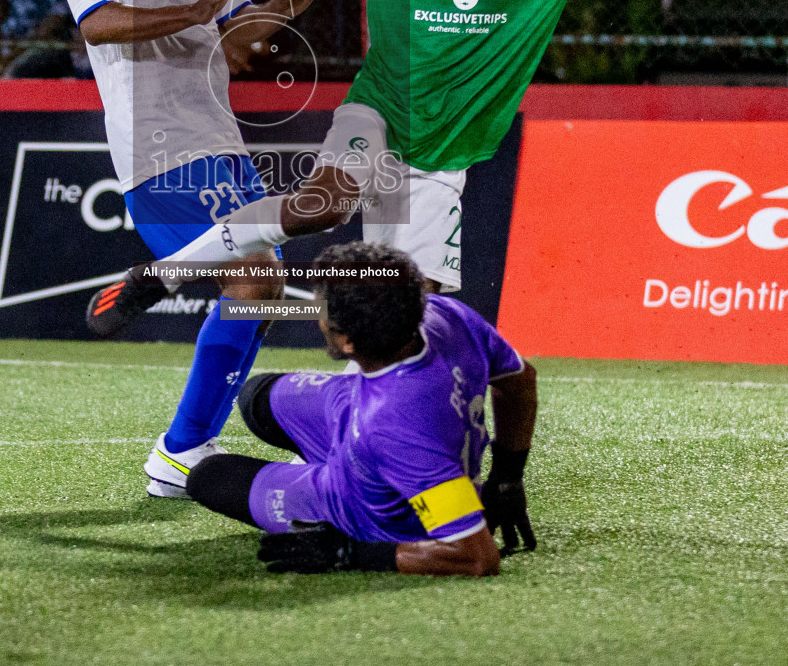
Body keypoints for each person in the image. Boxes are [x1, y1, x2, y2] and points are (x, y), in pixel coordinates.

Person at [86, 0, 689, 476]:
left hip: (445, 154)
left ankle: (364, 452)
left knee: (409, 326)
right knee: (323, 203)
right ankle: (165, 274)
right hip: (380, 109)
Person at [61, 0, 319, 497]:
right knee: (256, 278)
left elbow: (238, 44)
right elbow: (98, 23)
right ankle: (181, 452)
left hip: (221, 140)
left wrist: (289, 2)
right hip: (156, 144)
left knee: (260, 286)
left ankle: (185, 449)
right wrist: (193, 8)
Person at [188, 242, 537, 575]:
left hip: (369, 497)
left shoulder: (392, 427)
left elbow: (477, 557)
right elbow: (520, 380)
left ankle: (338, 500)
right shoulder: (446, 314)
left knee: (209, 476)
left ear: (347, 341)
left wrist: (354, 553)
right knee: (255, 397)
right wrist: (507, 477)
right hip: (362, 402)